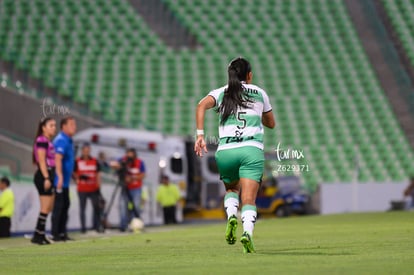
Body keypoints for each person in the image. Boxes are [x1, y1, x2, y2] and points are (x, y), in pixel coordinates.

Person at [194, 57, 275, 253]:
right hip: (251, 150)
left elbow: (200, 106)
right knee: (249, 200)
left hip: (226, 151)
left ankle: (231, 216)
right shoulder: (259, 93)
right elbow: (271, 123)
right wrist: (257, 110)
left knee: (232, 190)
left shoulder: (222, 92)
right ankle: (247, 233)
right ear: (249, 75)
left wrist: (200, 136)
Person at [31, 117, 56, 244]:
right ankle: (38, 235)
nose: (54, 128)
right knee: (45, 207)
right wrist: (46, 177)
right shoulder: (41, 140)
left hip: (50, 174)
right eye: (51, 125)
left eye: (54, 125)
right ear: (43, 127)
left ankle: (40, 233)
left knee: (49, 207)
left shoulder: (48, 141)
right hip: (43, 174)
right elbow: (41, 160)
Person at [52, 116, 76, 241]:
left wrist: (72, 174)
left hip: (65, 181)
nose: (74, 127)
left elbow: (68, 161)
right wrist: (59, 176)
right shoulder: (61, 140)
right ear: (64, 126)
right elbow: (58, 158)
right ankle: (55, 233)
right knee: (59, 206)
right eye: (71, 124)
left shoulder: (69, 140)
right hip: (59, 181)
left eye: (74, 124)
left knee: (65, 205)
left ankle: (62, 232)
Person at [114, 148, 146, 231]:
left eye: (131, 156)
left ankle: (134, 224)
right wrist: (119, 165)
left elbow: (143, 175)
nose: (129, 158)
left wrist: (132, 178)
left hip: (136, 188)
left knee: (136, 207)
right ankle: (123, 225)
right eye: (128, 156)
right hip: (125, 187)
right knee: (122, 206)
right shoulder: (123, 160)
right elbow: (113, 164)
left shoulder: (139, 162)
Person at [74, 143, 103, 233]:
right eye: (85, 150)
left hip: (93, 188)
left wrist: (99, 184)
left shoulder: (95, 161)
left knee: (96, 207)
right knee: (82, 208)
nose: (86, 152)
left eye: (88, 150)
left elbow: (98, 173)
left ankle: (97, 226)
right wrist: (78, 179)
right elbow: (74, 173)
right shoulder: (77, 161)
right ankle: (83, 228)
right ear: (82, 151)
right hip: (82, 189)